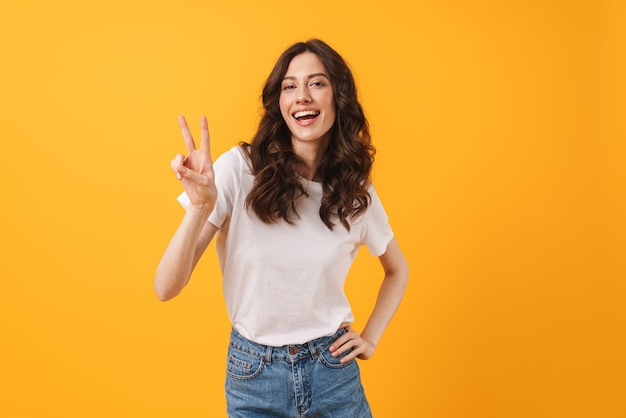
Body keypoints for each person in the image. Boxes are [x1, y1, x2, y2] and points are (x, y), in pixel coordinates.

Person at [155, 39, 409, 417]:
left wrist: (370, 337)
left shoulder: (355, 191)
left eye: (317, 83)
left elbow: (397, 269)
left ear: (338, 97)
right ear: (279, 102)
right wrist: (199, 206)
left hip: (333, 373)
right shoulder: (238, 170)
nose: (302, 97)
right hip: (255, 378)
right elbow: (165, 287)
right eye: (290, 86)